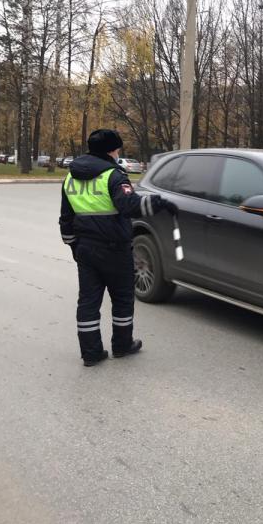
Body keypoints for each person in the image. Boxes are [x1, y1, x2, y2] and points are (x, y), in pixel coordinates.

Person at [59, 129, 178, 366]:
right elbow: (129, 206)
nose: (118, 153)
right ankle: (122, 345)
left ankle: (91, 353)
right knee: (123, 299)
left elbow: (66, 219)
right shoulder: (113, 175)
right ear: (111, 150)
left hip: (86, 250)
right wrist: (158, 202)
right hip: (115, 249)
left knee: (88, 302)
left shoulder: (70, 178)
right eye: (117, 149)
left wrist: (73, 246)